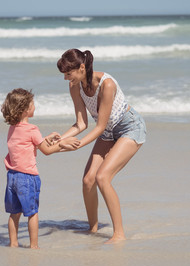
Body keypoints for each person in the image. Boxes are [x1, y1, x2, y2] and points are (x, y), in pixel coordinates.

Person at [55, 49, 146, 243]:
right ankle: (93, 228)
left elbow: (100, 125)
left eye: (68, 73)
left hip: (129, 128)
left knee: (102, 177)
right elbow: (81, 123)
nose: (65, 78)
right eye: (64, 74)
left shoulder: (107, 85)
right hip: (107, 133)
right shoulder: (74, 86)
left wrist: (77, 145)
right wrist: (59, 140)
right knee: (88, 180)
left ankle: (119, 234)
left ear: (81, 67)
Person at [1, 88, 79, 249]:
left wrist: (45, 139)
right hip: (28, 178)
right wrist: (62, 144)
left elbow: (28, 145)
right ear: (25, 110)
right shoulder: (32, 129)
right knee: (32, 213)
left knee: (14, 214)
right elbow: (47, 151)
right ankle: (34, 246)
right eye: (32, 104)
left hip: (12, 177)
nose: (34, 106)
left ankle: (13, 244)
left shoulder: (12, 128)